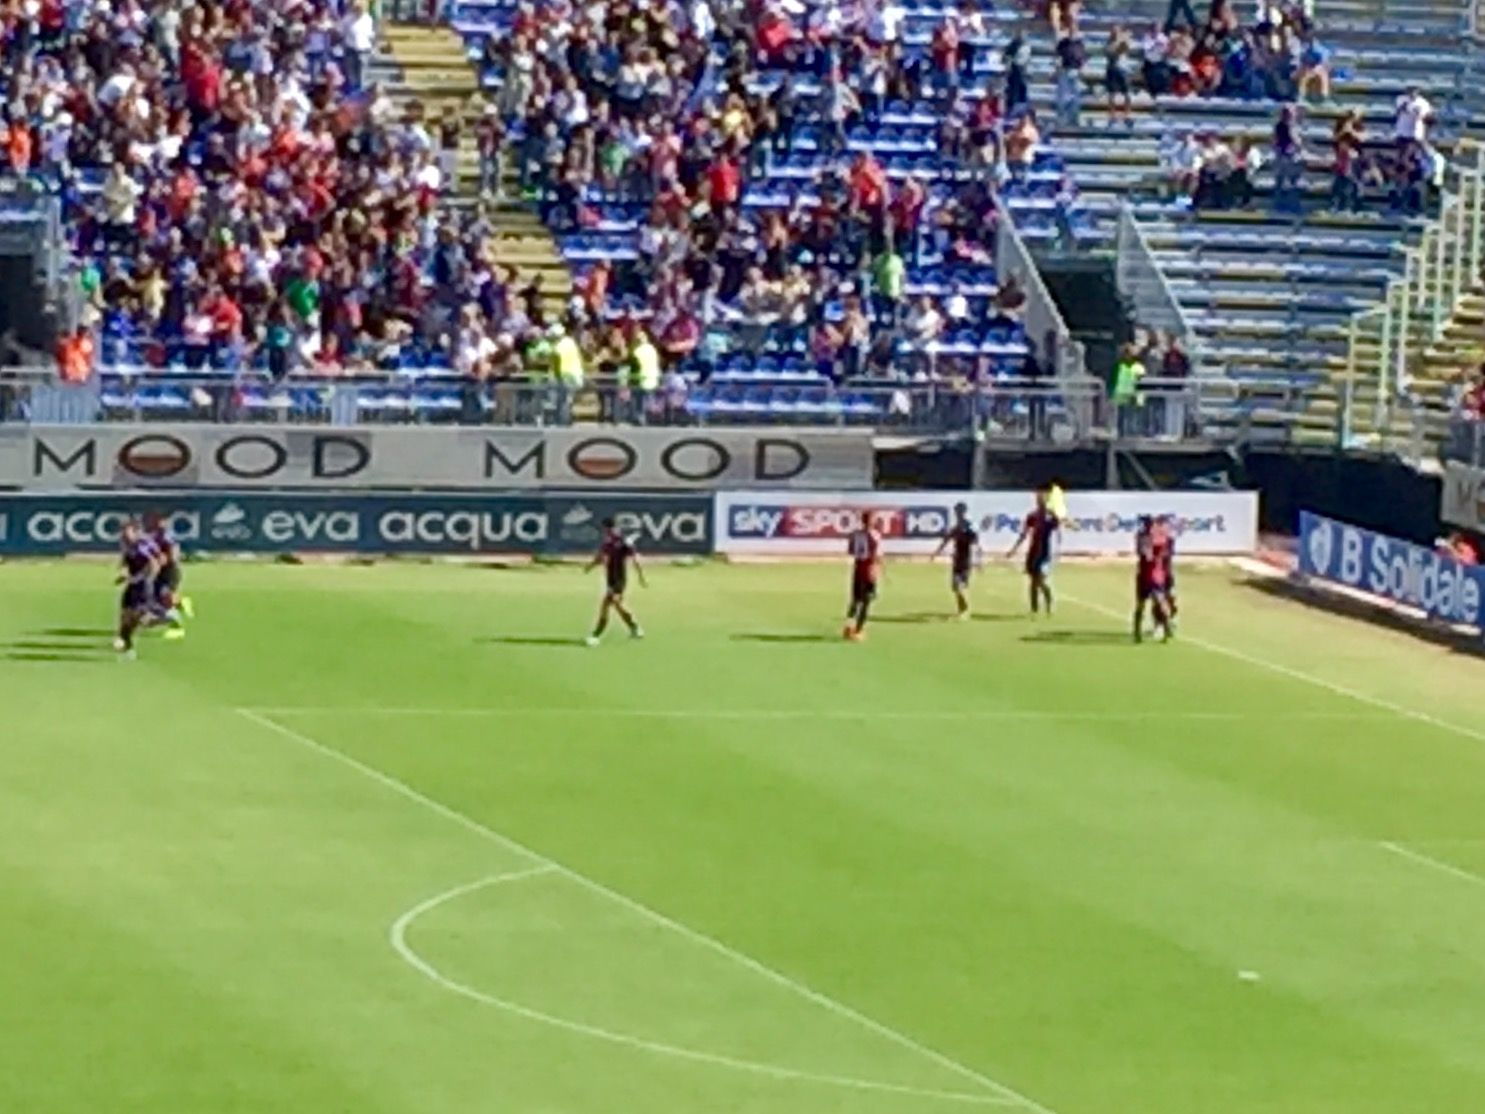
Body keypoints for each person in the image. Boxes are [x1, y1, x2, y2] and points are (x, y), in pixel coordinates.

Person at [585, 518, 646, 645]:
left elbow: (635, 559)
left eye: (608, 529)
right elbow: (601, 557)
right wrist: (590, 566)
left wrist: (641, 577)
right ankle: (634, 628)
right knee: (617, 605)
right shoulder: (607, 543)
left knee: (608, 604)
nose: (607, 532)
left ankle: (596, 635)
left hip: (620, 579)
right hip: (610, 579)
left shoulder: (624, 542)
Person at [1007, 489, 1059, 615]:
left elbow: (1057, 529)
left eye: (1042, 498)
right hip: (1033, 552)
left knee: (1041, 580)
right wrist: (1014, 549)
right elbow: (1024, 534)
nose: (1040, 501)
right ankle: (1034, 609)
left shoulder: (1050, 516)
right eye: (1038, 498)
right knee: (1033, 581)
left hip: (1044, 553)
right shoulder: (1032, 516)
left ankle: (1049, 602)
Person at [115, 520, 161, 659]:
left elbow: (153, 564)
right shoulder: (125, 543)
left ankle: (160, 616)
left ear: (135, 532)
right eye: (122, 531)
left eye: (127, 531)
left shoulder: (142, 546)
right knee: (124, 616)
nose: (124, 534)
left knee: (134, 616)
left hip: (142, 586)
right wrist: (123, 573)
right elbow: (126, 560)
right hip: (132, 585)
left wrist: (141, 578)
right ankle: (126, 644)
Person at [144, 510, 192, 637]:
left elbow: (173, 554)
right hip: (162, 571)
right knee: (158, 597)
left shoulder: (167, 537)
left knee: (164, 598)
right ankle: (179, 604)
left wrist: (164, 560)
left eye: (159, 521)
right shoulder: (154, 536)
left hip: (170, 571)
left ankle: (177, 627)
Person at [933, 502, 981, 619]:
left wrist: (978, 561)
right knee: (955, 587)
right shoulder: (957, 527)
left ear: (964, 511)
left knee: (959, 586)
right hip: (957, 559)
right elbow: (947, 539)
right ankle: (961, 610)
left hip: (966, 560)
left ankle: (965, 609)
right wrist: (937, 552)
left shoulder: (969, 527)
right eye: (956, 511)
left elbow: (976, 544)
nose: (957, 514)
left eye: (959, 511)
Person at [1133, 515, 1174, 642]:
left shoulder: (1161, 539)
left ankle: (1166, 628)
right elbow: (1143, 552)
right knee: (1141, 604)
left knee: (1159, 602)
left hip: (1155, 576)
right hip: (1146, 575)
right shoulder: (1143, 537)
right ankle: (1137, 631)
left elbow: (1163, 553)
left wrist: (1157, 554)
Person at [844, 511, 883, 641]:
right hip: (869, 569)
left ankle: (848, 626)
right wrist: (877, 569)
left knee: (855, 600)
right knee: (866, 601)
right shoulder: (875, 535)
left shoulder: (854, 534)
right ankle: (858, 630)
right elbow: (877, 555)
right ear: (871, 521)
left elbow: (850, 551)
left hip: (858, 568)